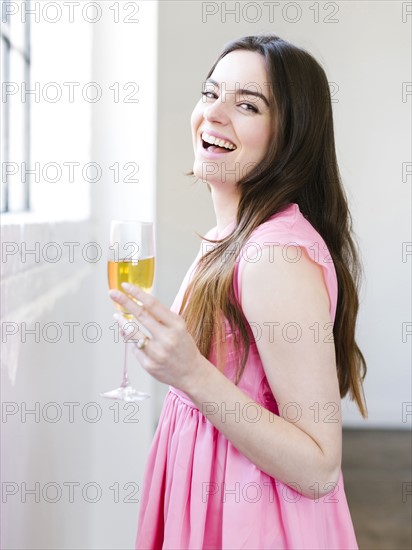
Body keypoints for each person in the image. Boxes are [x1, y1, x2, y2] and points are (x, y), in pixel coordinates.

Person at [109, 33, 367, 550]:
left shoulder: (275, 256)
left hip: (253, 524)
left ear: (289, 137)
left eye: (248, 104)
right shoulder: (232, 237)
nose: (215, 114)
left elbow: (318, 467)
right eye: (211, 93)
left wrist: (189, 373)